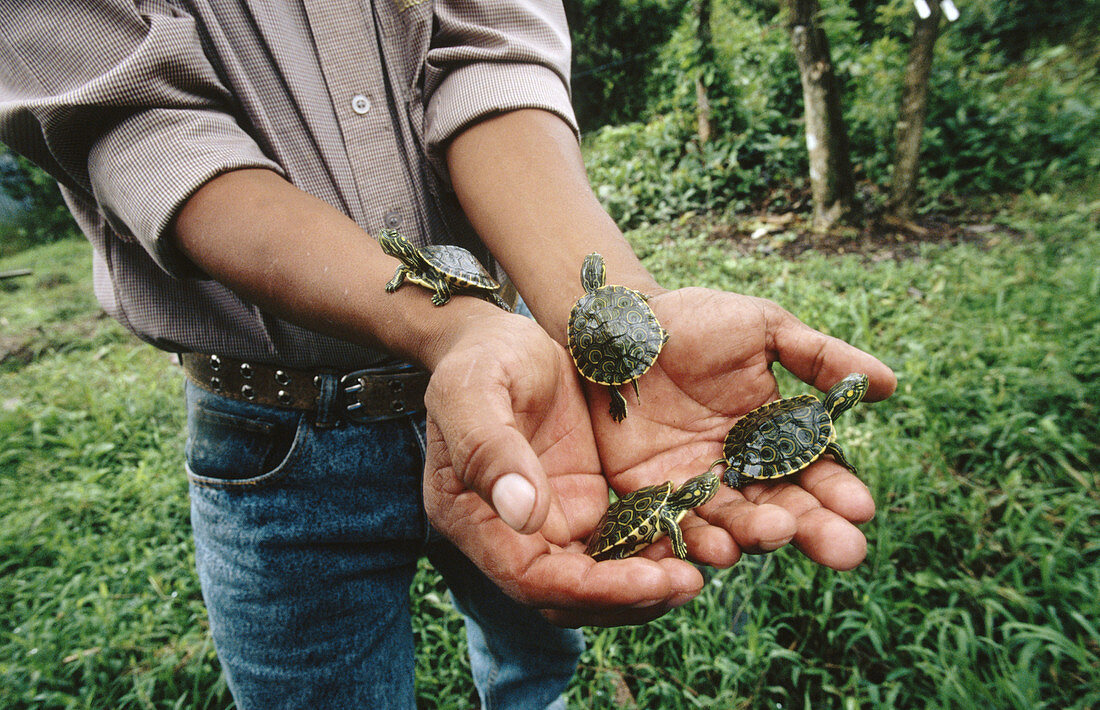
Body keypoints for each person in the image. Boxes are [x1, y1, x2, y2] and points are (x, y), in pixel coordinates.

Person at [0, 1, 896, 708]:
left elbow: (491, 57)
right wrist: (454, 325)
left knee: (538, 659)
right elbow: (145, 129)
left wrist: (617, 298)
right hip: (278, 435)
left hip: (541, 410)